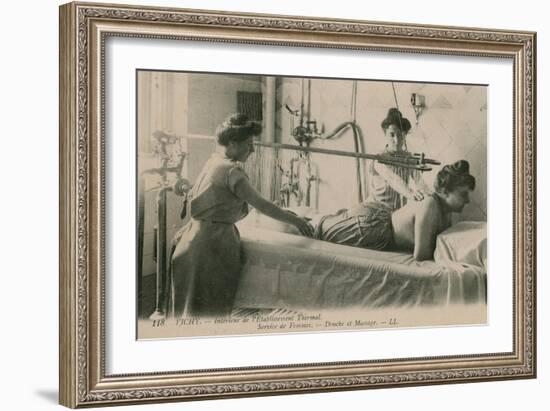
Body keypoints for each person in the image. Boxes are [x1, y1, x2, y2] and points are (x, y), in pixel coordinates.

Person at [167, 113, 314, 318]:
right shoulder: (231, 171)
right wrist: (296, 221)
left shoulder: (213, 162)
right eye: (249, 144)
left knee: (189, 312)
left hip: (192, 242)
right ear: (234, 144)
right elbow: (262, 205)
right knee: (210, 313)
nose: (253, 150)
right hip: (211, 247)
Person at [315, 160, 475, 261]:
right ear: (446, 191)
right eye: (463, 194)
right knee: (318, 230)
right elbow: (420, 255)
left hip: (380, 219)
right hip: (373, 228)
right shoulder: (430, 205)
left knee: (327, 223)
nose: (467, 200)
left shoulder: (447, 214)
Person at [367, 108, 430, 210]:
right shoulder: (379, 158)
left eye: (400, 135)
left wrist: (430, 195)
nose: (396, 140)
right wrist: (410, 193)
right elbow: (392, 179)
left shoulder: (408, 157)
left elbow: (419, 181)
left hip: (397, 212)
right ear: (385, 135)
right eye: (392, 135)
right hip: (377, 210)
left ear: (404, 135)